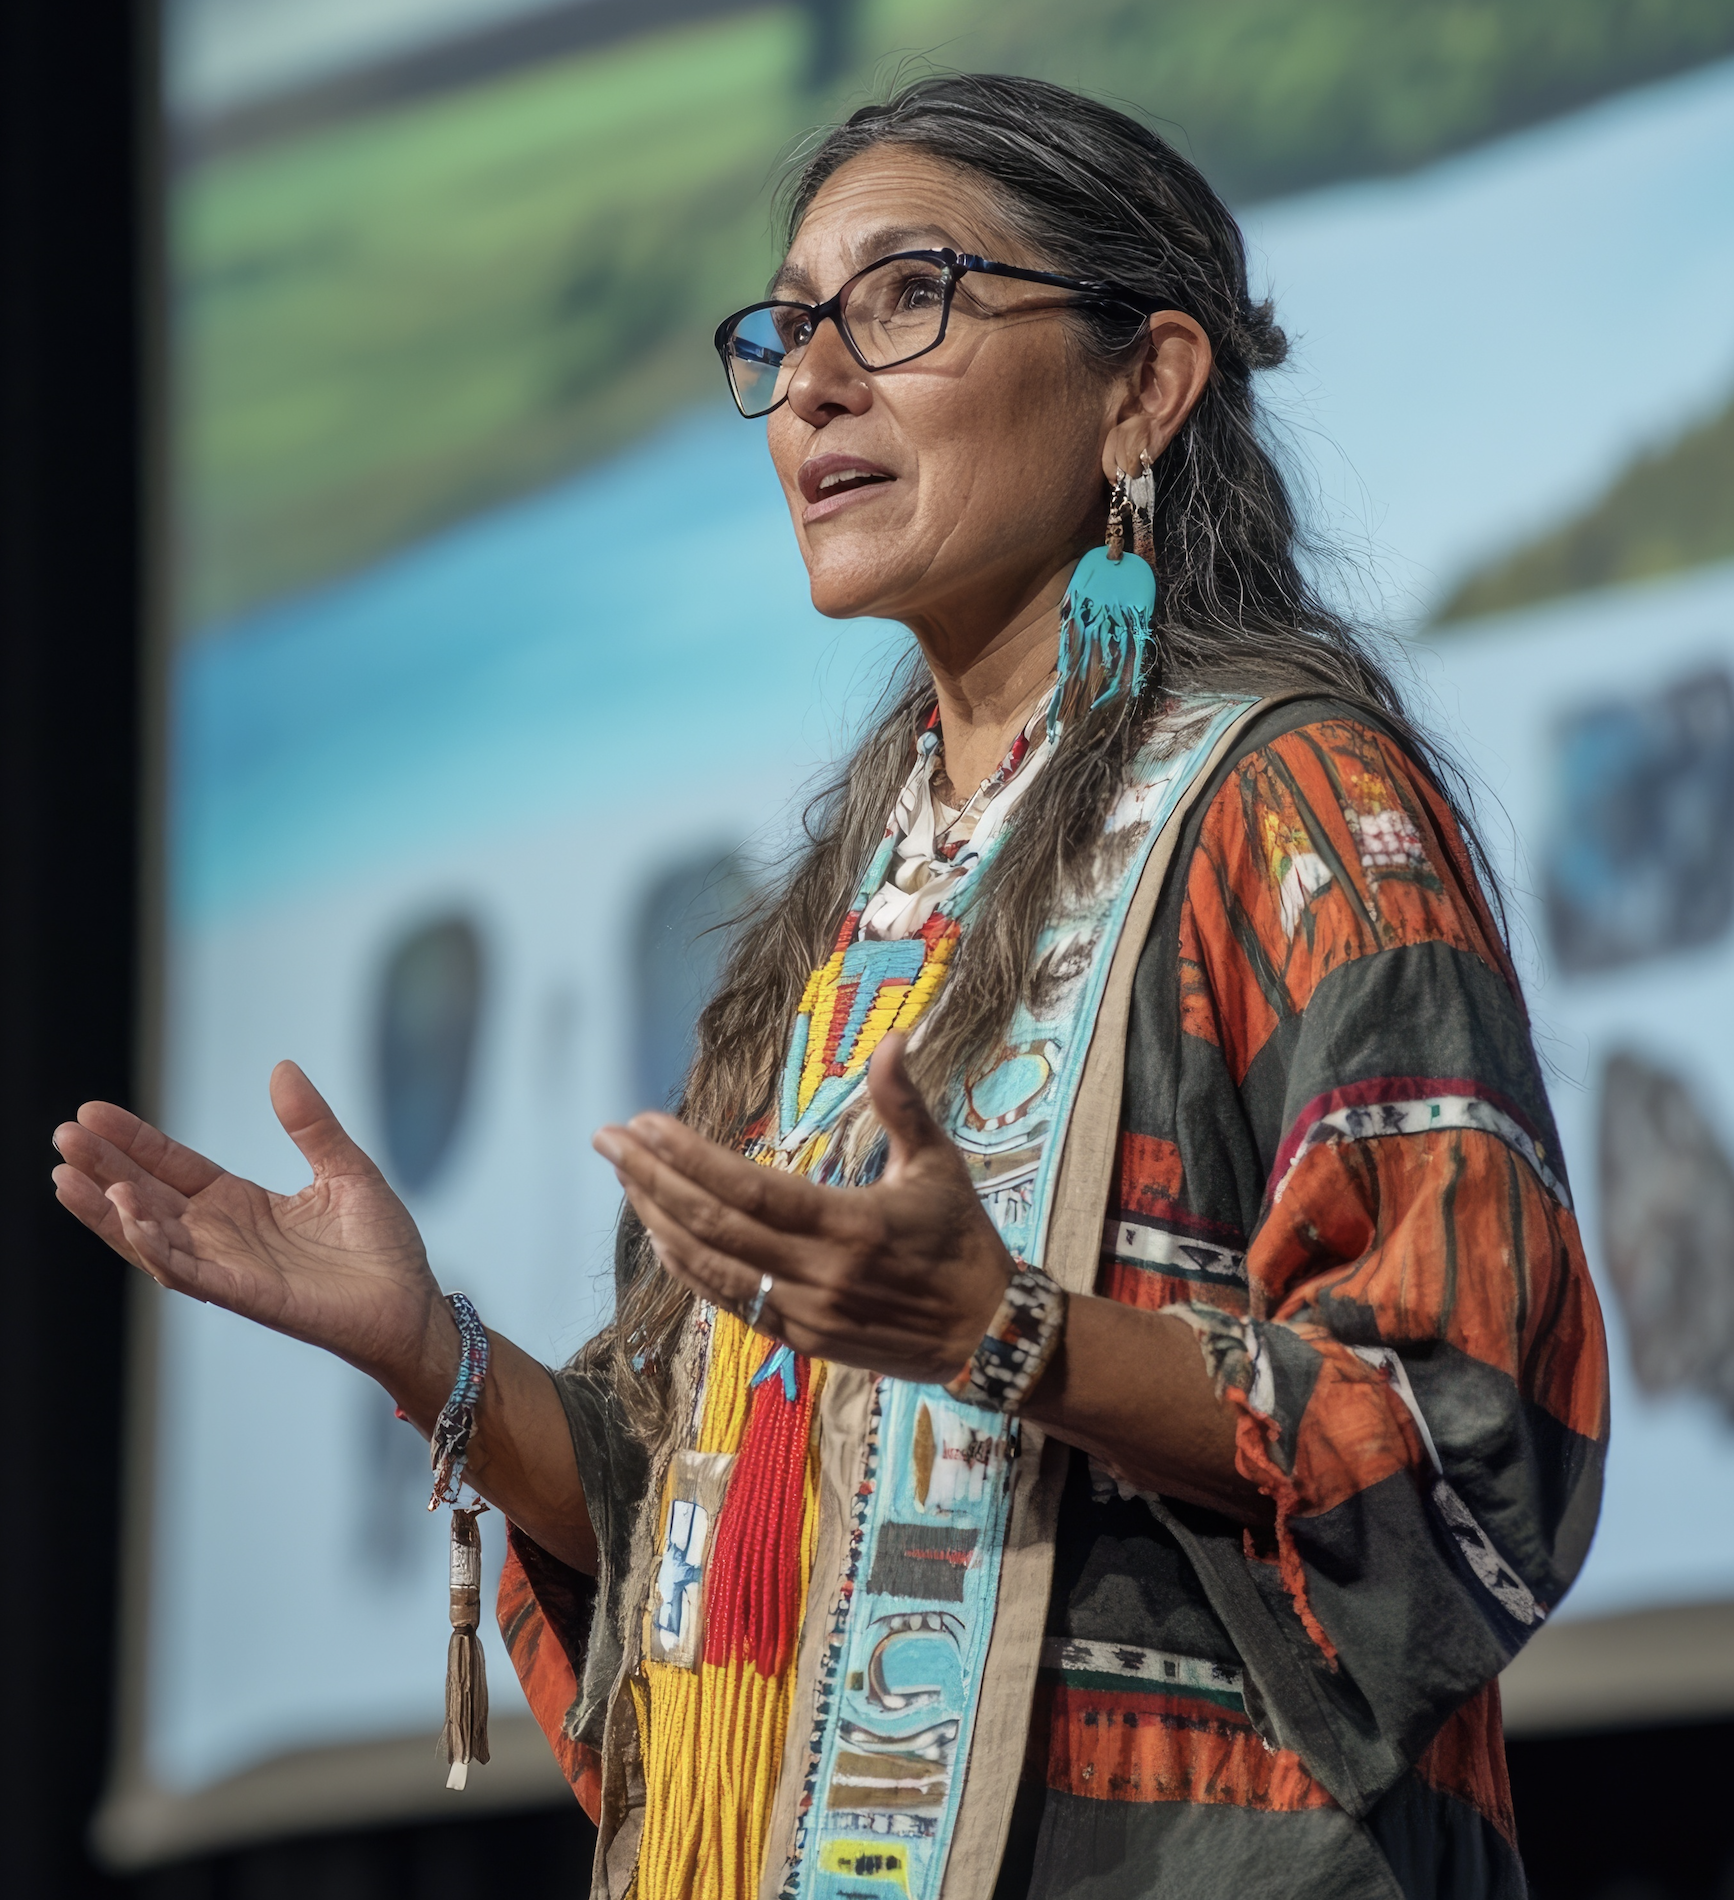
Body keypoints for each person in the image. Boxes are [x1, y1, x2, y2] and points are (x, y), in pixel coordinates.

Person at [53, 73, 1606, 1900]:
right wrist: (431, 1357)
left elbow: (1464, 1433)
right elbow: (720, 1552)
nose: (810, 384)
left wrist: (1000, 1333)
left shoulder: (1293, 807)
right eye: (789, 327)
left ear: (1143, 386)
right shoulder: (848, 910)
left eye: (907, 297)